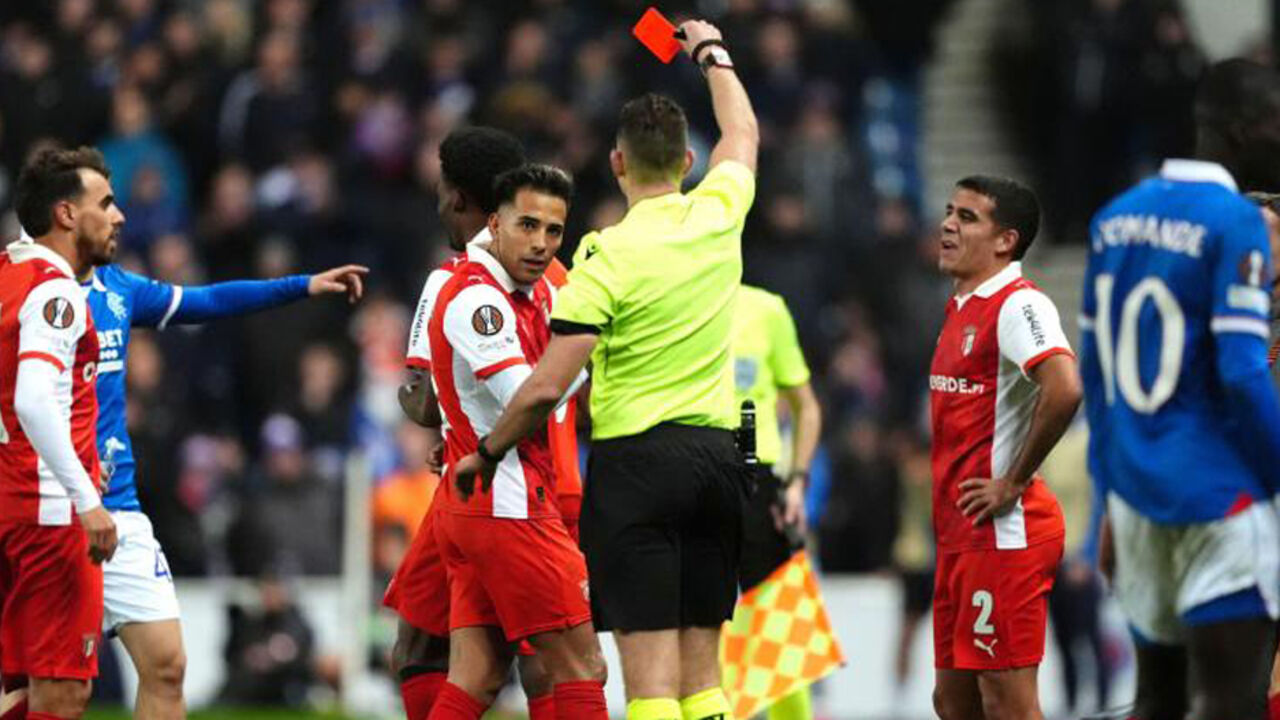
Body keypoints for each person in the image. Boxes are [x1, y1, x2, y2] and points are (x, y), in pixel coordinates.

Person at [453, 18, 760, 720]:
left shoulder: (604, 257)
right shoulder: (719, 215)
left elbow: (548, 384)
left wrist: (488, 449)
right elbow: (742, 132)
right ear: (687, 162)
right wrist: (711, 53)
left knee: (649, 685)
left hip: (638, 467)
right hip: (718, 458)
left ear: (617, 165)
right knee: (704, 677)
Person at [1081, 59, 1280, 720]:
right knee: (1232, 704)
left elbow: (1097, 376)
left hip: (1138, 498)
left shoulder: (1114, 219)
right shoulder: (1234, 221)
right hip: (1217, 502)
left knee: (1154, 702)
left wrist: (1112, 494)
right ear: (1247, 128)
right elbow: (1245, 373)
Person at [385, 126, 584, 720]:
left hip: (493, 486)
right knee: (536, 658)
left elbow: (423, 398)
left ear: (460, 200)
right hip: (561, 477)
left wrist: (448, 415)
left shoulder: (453, 281)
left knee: (423, 647)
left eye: (445, 192)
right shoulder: (560, 274)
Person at [425, 164, 606, 720]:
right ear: (495, 223)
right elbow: (528, 396)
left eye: (553, 232)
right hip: (506, 502)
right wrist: (589, 349)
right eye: (527, 226)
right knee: (583, 666)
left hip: (483, 503)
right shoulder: (478, 300)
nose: (541, 244)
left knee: (477, 678)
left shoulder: (524, 293)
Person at [929, 176, 1078, 720]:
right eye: (949, 212)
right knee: (953, 702)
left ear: (1004, 242)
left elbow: (1065, 386)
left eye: (967, 217)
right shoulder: (961, 307)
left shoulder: (1017, 305)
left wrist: (1012, 482)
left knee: (1007, 703)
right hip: (959, 537)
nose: (948, 224)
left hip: (1003, 538)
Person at [0, 146, 122, 720]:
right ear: (67, 214)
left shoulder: (6, 276)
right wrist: (87, 498)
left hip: (11, 505)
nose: (117, 216)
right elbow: (31, 398)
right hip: (49, 516)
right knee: (63, 689)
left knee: (19, 688)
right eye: (106, 203)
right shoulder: (56, 292)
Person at [729, 284, 823, 720]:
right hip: (690, 473)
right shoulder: (672, 300)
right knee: (702, 632)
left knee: (780, 637)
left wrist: (797, 481)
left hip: (759, 482)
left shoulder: (766, 309)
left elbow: (807, 407)